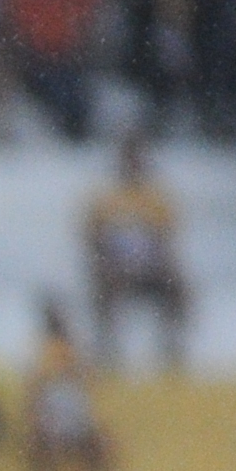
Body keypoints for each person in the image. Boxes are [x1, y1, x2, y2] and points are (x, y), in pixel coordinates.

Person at [79, 136, 189, 376]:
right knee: (104, 287)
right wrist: (110, 265)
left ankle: (172, 348)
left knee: (177, 286)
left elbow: (165, 242)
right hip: (116, 269)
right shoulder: (105, 198)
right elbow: (93, 240)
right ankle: (109, 350)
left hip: (150, 269)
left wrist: (157, 267)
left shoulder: (157, 198)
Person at [21, 303, 112, 471]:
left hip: (77, 427)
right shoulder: (43, 375)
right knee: (39, 444)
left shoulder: (77, 378)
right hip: (50, 427)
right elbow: (32, 399)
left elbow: (92, 380)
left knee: (98, 444)